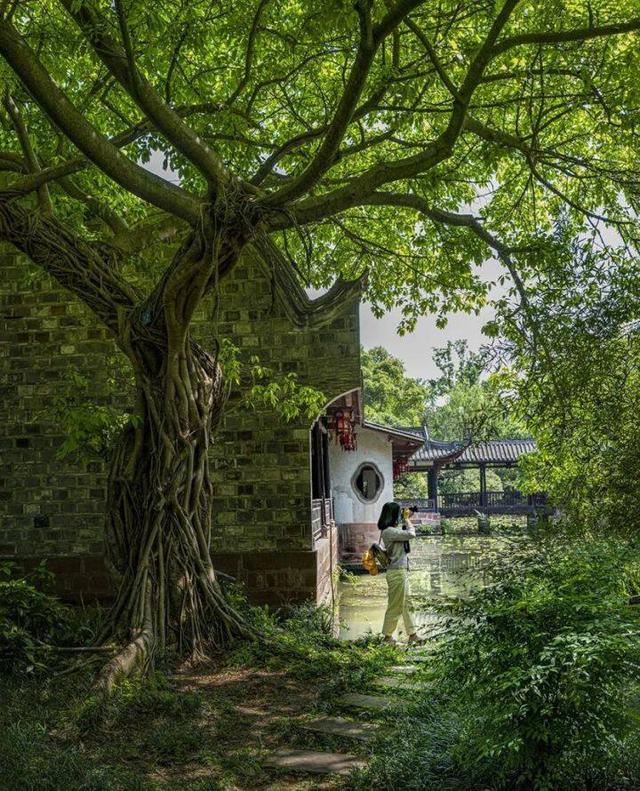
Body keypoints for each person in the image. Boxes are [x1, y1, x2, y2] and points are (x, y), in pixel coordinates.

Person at [378, 501, 421, 645]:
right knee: (395, 605)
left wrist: (406, 518)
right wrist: (407, 519)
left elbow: (404, 534)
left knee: (407, 603)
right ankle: (387, 637)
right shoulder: (389, 531)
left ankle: (413, 635)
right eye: (399, 513)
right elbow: (411, 534)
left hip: (401, 571)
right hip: (396, 573)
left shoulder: (392, 530)